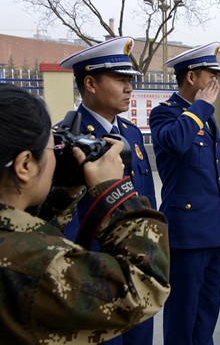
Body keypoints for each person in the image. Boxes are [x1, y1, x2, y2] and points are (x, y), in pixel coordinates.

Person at [0, 84, 170, 344]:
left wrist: (65, 194)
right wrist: (115, 192)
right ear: (25, 165)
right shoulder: (34, 264)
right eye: (51, 149)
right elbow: (146, 285)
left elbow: (27, 228)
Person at [58, 37, 157, 344]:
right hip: (97, 278)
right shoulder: (69, 140)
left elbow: (146, 201)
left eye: (130, 80)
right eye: (120, 80)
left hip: (137, 272)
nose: (129, 88)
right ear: (90, 83)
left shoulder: (130, 133)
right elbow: (65, 222)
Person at [149, 42, 220, 344]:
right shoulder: (165, 114)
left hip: (215, 229)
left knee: (207, 313)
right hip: (187, 233)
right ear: (192, 77)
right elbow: (176, 142)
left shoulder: (204, 116)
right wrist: (200, 107)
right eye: (210, 75)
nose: (215, 82)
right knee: (183, 315)